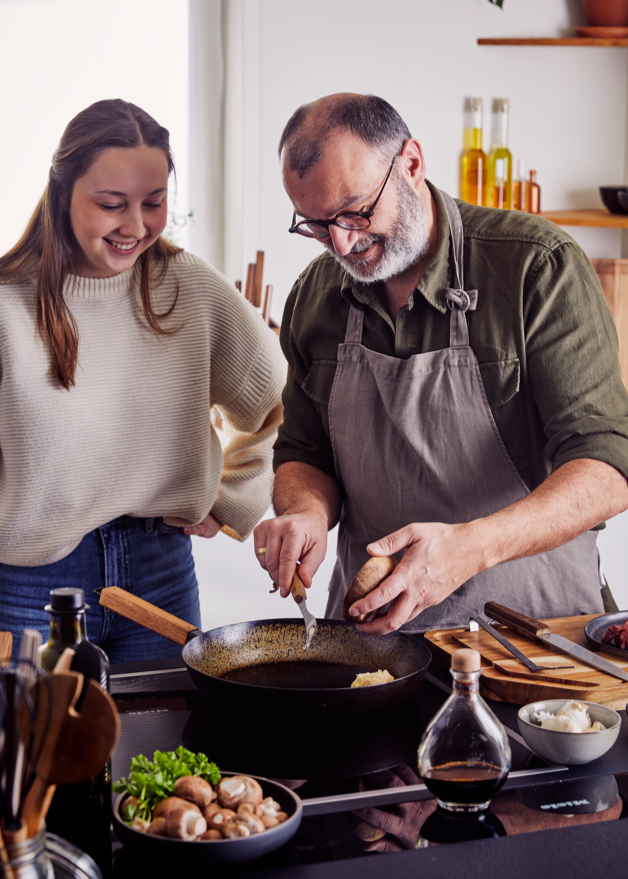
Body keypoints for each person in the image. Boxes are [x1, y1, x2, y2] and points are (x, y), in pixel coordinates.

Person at [254, 92, 628, 634]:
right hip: (375, 649)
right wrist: (306, 512)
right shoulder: (316, 295)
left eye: (356, 211)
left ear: (410, 164)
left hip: (538, 642)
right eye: (315, 223)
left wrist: (468, 548)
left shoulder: (536, 267)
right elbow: (303, 453)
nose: (342, 242)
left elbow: (608, 467)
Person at [0, 99, 284, 661]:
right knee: (33, 751)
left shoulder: (191, 289)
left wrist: (231, 498)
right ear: (63, 193)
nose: (135, 226)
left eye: (154, 203)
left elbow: (281, 401)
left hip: (160, 572)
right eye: (112, 205)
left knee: (165, 747)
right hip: (28, 586)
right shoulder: (7, 304)